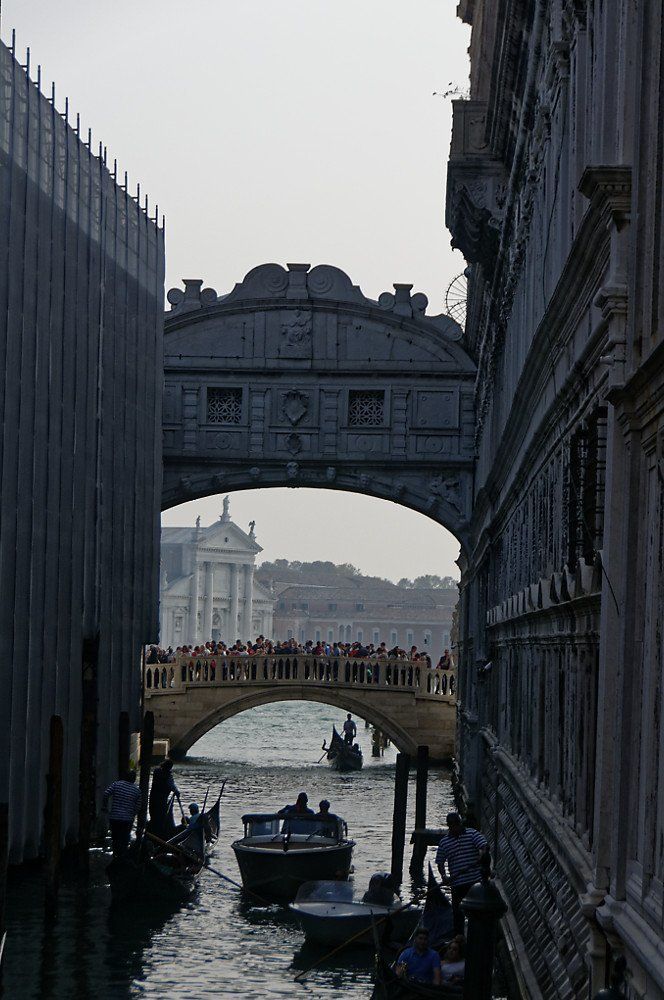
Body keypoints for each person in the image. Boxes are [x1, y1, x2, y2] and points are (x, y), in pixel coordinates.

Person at [435, 811, 488, 935]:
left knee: (475, 912)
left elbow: (483, 846)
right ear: (449, 826)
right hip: (457, 883)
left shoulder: (472, 833)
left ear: (460, 823)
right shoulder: (444, 842)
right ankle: (458, 937)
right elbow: (440, 863)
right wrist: (444, 876)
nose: (454, 827)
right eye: (452, 825)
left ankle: (476, 934)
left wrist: (481, 854)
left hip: (475, 882)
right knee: (457, 913)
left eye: (456, 824)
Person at [102, 770, 142, 856]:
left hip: (114, 817)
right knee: (124, 839)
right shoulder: (137, 790)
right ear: (134, 779)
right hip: (127, 819)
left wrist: (104, 807)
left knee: (115, 838)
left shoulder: (117, 784)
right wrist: (132, 814)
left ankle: (115, 855)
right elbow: (138, 807)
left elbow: (106, 794)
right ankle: (122, 856)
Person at [149, 759, 181, 838]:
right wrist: (176, 792)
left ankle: (155, 831)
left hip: (153, 798)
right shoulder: (168, 775)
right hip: (161, 800)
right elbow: (171, 785)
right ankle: (161, 833)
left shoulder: (156, 772)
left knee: (154, 815)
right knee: (161, 816)